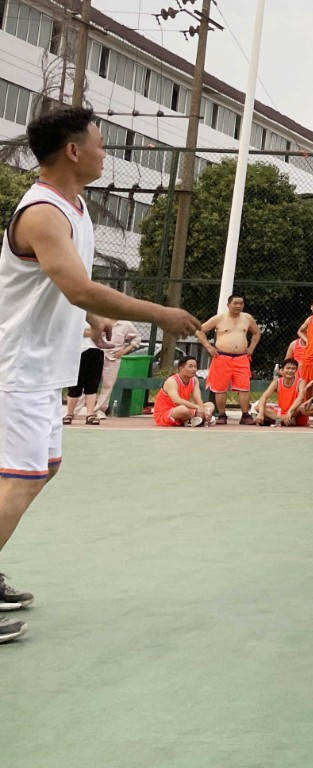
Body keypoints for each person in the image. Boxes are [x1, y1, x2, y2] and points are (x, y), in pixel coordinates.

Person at [0, 108, 200, 645]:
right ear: (73, 151)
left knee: (40, 470)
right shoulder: (42, 213)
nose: (104, 153)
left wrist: (92, 318)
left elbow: (64, 281)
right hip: (17, 369)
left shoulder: (75, 206)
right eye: (100, 144)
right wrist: (159, 313)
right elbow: (77, 286)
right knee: (20, 479)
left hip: (42, 369)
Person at [197, 294, 261, 425]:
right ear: (228, 305)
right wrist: (209, 347)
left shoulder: (247, 318)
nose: (238, 306)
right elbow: (200, 331)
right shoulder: (219, 318)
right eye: (235, 303)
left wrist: (251, 348)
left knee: (244, 387)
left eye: (241, 303)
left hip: (242, 357)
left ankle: (245, 415)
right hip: (222, 357)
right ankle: (222, 414)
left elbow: (256, 333)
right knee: (220, 388)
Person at [88, 319, 142, 422]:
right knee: (88, 382)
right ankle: (78, 409)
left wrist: (124, 351)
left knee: (108, 384)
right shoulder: (98, 319)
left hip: (113, 357)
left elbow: (137, 337)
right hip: (95, 354)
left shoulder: (125, 324)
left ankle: (99, 410)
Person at [153, 355, 214, 428]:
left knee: (210, 405)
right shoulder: (172, 381)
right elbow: (177, 401)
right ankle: (198, 419)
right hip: (166, 414)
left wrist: (203, 410)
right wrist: (197, 408)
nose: (194, 369)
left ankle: (196, 419)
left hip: (185, 410)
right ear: (181, 368)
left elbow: (198, 399)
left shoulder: (194, 380)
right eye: (190, 366)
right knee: (183, 409)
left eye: (195, 367)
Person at [62, 326, 106, 426]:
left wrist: (91, 332)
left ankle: (90, 415)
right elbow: (74, 330)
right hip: (78, 351)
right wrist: (93, 332)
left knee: (92, 384)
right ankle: (69, 414)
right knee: (75, 384)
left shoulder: (99, 318)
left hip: (96, 351)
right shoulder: (76, 317)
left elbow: (102, 331)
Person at [253, 360, 310, 427]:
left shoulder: (301, 382)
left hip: (294, 412)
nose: (290, 371)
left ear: (296, 370)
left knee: (301, 407)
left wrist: (290, 412)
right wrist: (261, 413)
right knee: (258, 407)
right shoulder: (277, 382)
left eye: (293, 369)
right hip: (282, 413)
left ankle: (275, 420)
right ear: (282, 370)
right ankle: (283, 420)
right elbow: (264, 396)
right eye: (288, 368)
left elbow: (300, 398)